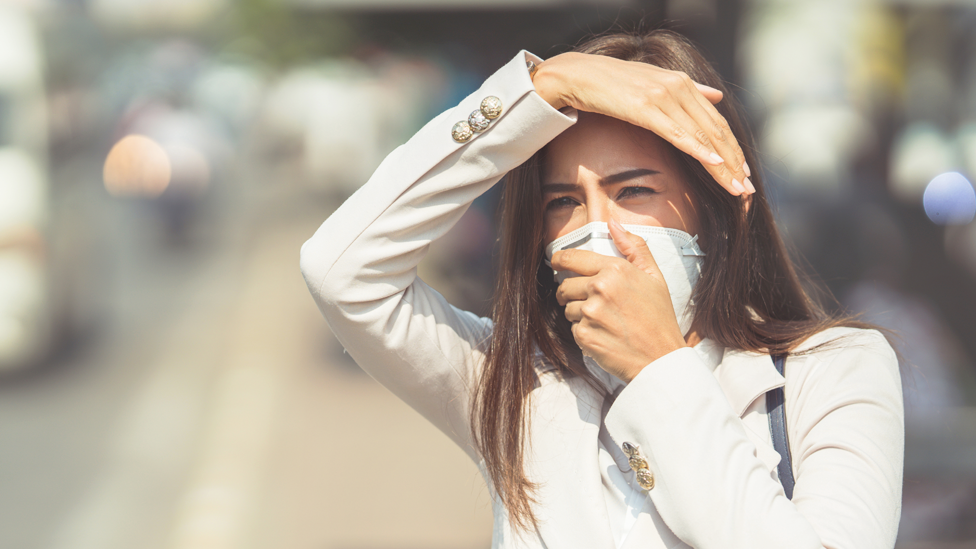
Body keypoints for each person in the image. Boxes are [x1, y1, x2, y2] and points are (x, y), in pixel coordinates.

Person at [300, 29, 904, 549]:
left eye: (633, 191)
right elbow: (343, 271)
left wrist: (660, 369)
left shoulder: (831, 371)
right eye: (563, 201)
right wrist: (542, 91)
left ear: (717, 209)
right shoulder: (512, 382)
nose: (596, 230)